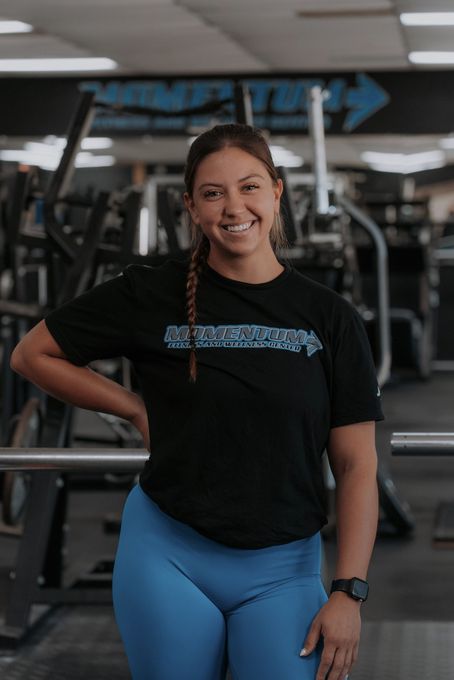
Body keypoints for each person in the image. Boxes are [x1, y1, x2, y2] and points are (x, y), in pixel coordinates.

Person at [10, 123, 383, 680]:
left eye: (250, 186)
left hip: (282, 566)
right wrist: (134, 408)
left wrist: (349, 593)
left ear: (277, 191)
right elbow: (32, 355)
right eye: (214, 193)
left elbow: (355, 465)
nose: (235, 206)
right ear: (192, 206)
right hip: (168, 554)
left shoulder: (330, 318)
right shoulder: (149, 292)